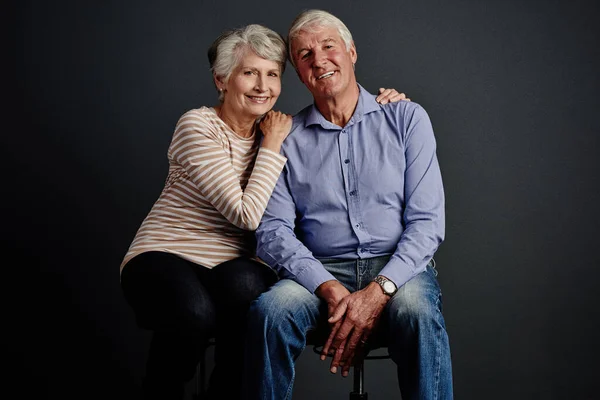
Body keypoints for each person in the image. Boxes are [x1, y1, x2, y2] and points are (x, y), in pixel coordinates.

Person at [119, 23, 407, 400]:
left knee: (255, 299)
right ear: (221, 79)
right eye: (249, 73)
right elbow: (246, 216)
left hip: (230, 263)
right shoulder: (199, 125)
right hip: (167, 253)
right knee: (195, 314)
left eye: (272, 74)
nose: (262, 86)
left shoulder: (277, 132)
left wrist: (386, 105)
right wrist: (272, 143)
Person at [243, 9, 453, 400]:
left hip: (397, 269)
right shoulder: (286, 138)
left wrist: (378, 290)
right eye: (305, 55)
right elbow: (272, 231)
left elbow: (427, 223)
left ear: (351, 52)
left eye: (328, 46)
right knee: (270, 313)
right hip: (319, 271)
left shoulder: (406, 118)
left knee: (418, 313)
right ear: (299, 73)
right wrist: (327, 286)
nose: (319, 60)